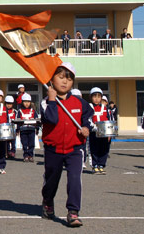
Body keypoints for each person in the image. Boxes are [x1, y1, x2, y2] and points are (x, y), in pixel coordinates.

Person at [40, 62, 92, 227]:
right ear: (52, 80)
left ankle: (73, 211)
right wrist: (52, 99)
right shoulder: (45, 102)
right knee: (52, 180)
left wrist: (86, 127)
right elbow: (52, 119)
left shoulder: (80, 102)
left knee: (75, 178)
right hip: (53, 149)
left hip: (75, 149)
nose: (64, 82)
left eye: (69, 80)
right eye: (61, 77)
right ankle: (48, 201)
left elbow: (88, 118)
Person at [88, 87, 112, 174]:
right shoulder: (89, 107)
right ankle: (94, 165)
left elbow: (109, 120)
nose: (96, 99)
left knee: (104, 149)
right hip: (94, 132)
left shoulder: (105, 108)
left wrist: (110, 133)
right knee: (94, 149)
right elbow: (87, 119)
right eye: (94, 96)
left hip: (104, 133)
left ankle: (101, 165)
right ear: (91, 97)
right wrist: (92, 127)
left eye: (98, 96)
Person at [17, 93, 38, 162]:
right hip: (23, 130)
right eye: (25, 102)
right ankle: (25, 155)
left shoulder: (33, 111)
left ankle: (31, 155)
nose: (26, 104)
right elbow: (17, 120)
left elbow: (37, 120)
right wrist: (17, 129)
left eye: (28, 102)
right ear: (22, 102)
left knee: (31, 143)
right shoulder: (19, 111)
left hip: (31, 129)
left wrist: (37, 128)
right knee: (24, 143)